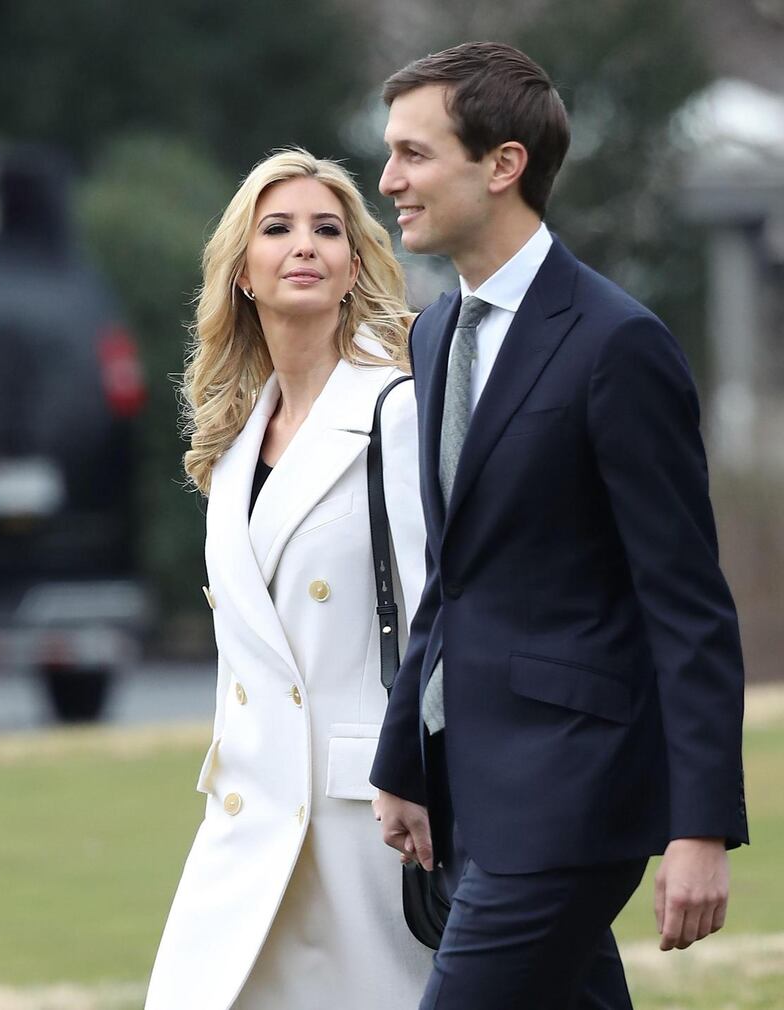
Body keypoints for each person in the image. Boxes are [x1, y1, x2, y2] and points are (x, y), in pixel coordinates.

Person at [370, 42, 748, 1010]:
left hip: (569, 798)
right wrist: (403, 756)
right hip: (466, 789)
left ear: (501, 165)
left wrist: (697, 827)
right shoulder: (431, 331)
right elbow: (454, 571)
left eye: (414, 154)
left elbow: (686, 603)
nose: (388, 180)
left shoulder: (615, 343)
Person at [144, 148, 433, 1010]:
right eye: (278, 229)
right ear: (241, 271)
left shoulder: (401, 412)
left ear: (352, 267)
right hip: (247, 821)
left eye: (327, 230)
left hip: (370, 828)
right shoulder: (231, 450)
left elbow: (436, 621)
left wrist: (421, 775)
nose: (304, 245)